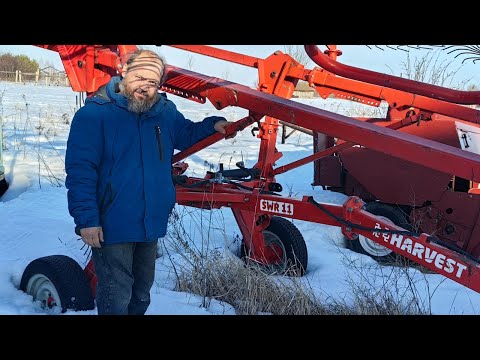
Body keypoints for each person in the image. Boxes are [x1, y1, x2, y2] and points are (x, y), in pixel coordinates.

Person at [65, 49, 235, 315]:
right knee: (116, 295)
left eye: (153, 82)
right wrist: (87, 220)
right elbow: (80, 171)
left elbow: (185, 132)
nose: (145, 86)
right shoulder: (94, 115)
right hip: (113, 220)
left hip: (151, 219)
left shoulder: (164, 112)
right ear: (124, 72)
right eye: (139, 77)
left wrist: (212, 125)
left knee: (142, 293)